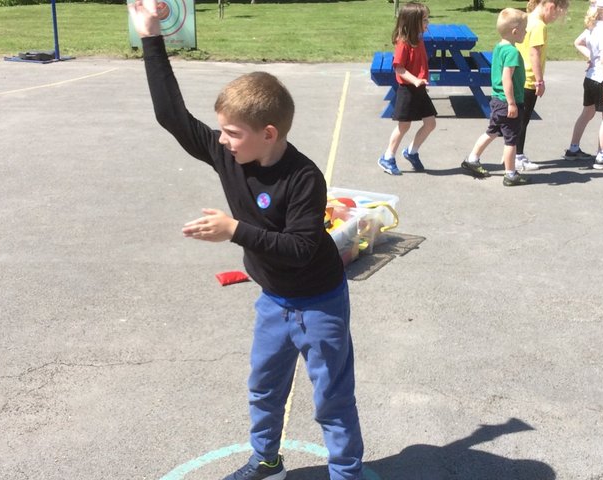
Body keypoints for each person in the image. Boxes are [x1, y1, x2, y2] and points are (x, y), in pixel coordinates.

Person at [127, 1, 365, 479]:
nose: (223, 140)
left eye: (233, 133)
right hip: (273, 300)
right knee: (263, 386)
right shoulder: (228, 155)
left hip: (319, 301)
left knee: (332, 398)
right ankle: (266, 459)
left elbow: (299, 249)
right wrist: (151, 35)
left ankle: (346, 473)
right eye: (222, 131)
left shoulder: (303, 178)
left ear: (269, 133)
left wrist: (233, 229)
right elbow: (172, 116)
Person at [462, 8, 530, 186]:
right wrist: (512, 103)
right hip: (507, 102)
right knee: (511, 140)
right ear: (515, 32)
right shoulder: (512, 53)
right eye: (525, 29)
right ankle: (510, 174)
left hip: (496, 100)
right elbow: (506, 78)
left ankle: (472, 159)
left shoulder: (499, 47)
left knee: (492, 131)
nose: (527, 32)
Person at [377, 1, 437, 175]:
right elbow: (399, 68)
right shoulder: (404, 43)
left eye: (427, 19)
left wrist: (421, 80)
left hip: (419, 89)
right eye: (424, 20)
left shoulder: (418, 38)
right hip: (407, 90)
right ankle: (387, 157)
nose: (428, 23)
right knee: (404, 126)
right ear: (412, 22)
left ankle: (411, 151)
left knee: (430, 123)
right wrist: (415, 80)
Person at [564, 0, 603, 169]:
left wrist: (590, 57)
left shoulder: (593, 27)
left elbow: (578, 42)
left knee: (587, 112)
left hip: (590, 78)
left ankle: (573, 149)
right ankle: (602, 155)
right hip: (602, 80)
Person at [515, 0, 570, 171]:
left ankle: (511, 154)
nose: (554, 18)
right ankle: (518, 156)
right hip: (529, 79)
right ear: (550, 6)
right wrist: (539, 80)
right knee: (523, 121)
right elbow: (534, 54)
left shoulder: (527, 19)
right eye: (556, 14)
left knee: (518, 120)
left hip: (518, 76)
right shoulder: (539, 26)